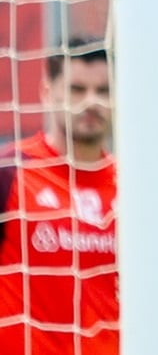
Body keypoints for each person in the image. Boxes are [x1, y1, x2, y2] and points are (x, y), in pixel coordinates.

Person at [0, 35, 118, 354]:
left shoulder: (131, 188)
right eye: (77, 90)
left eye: (103, 91)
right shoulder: (9, 172)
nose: (91, 102)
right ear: (47, 92)